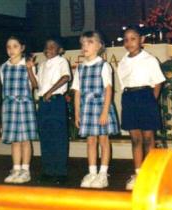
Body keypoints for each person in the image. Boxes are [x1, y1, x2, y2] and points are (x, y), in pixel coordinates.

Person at [117, 26, 165, 190]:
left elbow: (158, 82)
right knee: (135, 139)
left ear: (142, 40)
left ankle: (150, 175)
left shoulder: (150, 59)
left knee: (148, 138)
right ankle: (138, 173)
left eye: (133, 38)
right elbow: (123, 83)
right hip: (130, 98)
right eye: (126, 39)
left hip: (146, 97)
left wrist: (152, 101)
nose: (129, 42)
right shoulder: (123, 61)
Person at [72, 31, 119, 188]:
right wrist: (77, 113)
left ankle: (103, 174)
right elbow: (77, 92)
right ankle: (92, 172)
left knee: (103, 140)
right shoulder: (80, 68)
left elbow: (108, 89)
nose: (85, 46)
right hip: (86, 108)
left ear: (99, 46)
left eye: (90, 42)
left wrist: (105, 111)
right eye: (83, 43)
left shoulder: (103, 65)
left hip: (100, 106)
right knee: (90, 141)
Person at [27, 38, 71, 184]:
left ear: (60, 50)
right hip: (44, 104)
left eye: (52, 47)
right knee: (45, 137)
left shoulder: (61, 61)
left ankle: (60, 172)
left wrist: (50, 91)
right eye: (46, 47)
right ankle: (47, 171)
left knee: (59, 137)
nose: (48, 49)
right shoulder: (43, 65)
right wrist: (29, 69)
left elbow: (65, 78)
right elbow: (36, 84)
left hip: (56, 102)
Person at [0, 36, 38, 184]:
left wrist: (29, 69)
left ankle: (25, 170)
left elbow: (35, 85)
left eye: (15, 46)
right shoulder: (3, 67)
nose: (11, 50)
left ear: (22, 48)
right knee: (15, 140)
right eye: (8, 47)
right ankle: (16, 169)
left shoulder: (27, 64)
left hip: (24, 105)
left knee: (25, 140)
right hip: (10, 106)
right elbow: (4, 91)